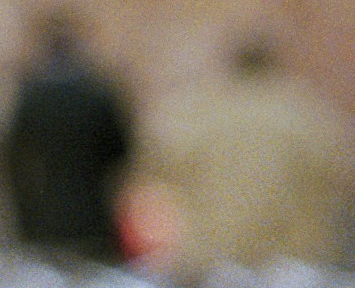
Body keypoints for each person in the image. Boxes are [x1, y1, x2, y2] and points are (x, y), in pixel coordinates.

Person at [142, 36, 352, 269]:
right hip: (291, 264)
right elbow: (340, 176)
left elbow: (153, 174)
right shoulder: (308, 115)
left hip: (207, 261)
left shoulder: (192, 113)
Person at [0, 14, 136, 260]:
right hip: (93, 218)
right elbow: (121, 152)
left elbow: (8, 159)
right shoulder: (98, 94)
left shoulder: (31, 97)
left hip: (43, 222)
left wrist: (22, 213)